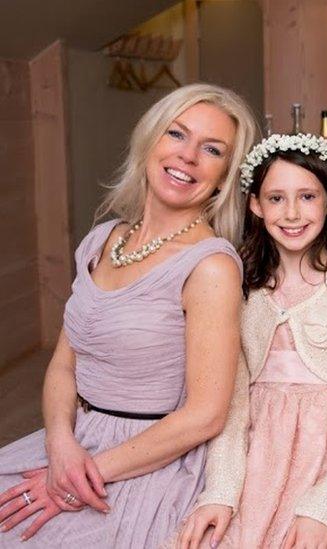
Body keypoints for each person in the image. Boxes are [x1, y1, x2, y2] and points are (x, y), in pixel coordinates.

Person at [0, 83, 257, 547]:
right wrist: (60, 442)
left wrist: (81, 479)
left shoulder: (211, 267)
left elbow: (204, 416)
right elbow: (64, 363)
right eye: (177, 135)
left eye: (212, 149)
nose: (188, 156)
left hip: (144, 462)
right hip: (74, 438)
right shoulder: (102, 239)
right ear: (150, 141)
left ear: (224, 176)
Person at [177, 134, 327, 549]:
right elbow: (234, 411)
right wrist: (221, 491)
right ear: (255, 205)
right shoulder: (241, 291)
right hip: (259, 462)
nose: (291, 213)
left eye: (307, 196)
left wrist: (324, 503)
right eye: (276, 199)